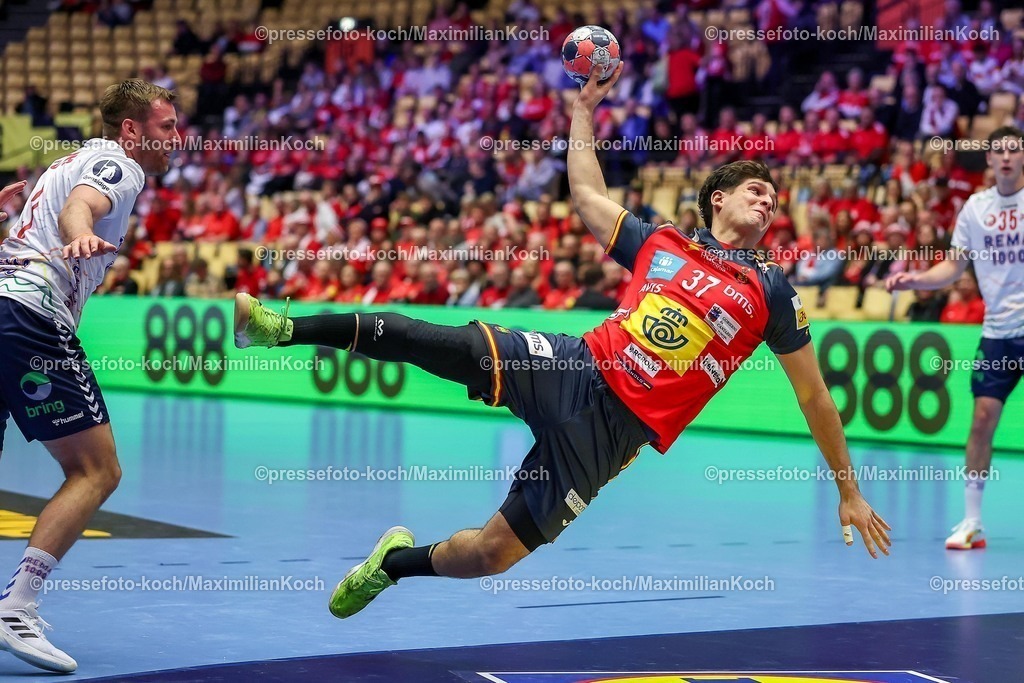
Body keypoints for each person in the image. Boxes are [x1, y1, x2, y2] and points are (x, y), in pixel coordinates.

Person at [233, 65, 891, 621]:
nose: (768, 199)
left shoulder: (770, 290)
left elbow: (813, 395)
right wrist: (582, 110)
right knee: (438, 342)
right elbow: (584, 193)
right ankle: (283, 327)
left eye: (774, 197)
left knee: (492, 553)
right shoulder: (662, 244)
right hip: (577, 367)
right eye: (756, 189)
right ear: (716, 199)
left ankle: (392, 563)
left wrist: (848, 489)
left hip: (611, 439)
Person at [0, 79, 178, 672]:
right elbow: (84, 207)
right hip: (31, 317)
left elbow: (43, 221)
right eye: (164, 127)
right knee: (97, 470)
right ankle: (17, 608)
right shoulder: (118, 165)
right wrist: (80, 232)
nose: (175, 138)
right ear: (131, 130)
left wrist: (15, 215)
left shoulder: (65, 161)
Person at [887, 126, 1024, 550]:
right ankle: (972, 521)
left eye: (1013, 150)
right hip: (999, 333)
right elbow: (952, 268)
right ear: (988, 160)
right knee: (982, 421)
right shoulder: (974, 210)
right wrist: (917, 282)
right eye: (997, 150)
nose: (1005, 157)